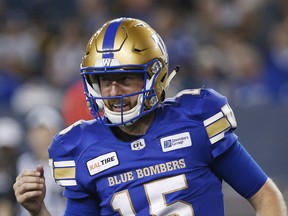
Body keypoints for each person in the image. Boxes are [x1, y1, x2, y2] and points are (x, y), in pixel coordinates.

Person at [13, 17, 287, 216]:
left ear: (156, 78)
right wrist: (39, 212)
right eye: (104, 80)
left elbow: (265, 196)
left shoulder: (197, 120)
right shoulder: (80, 147)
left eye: (124, 79)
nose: (112, 91)